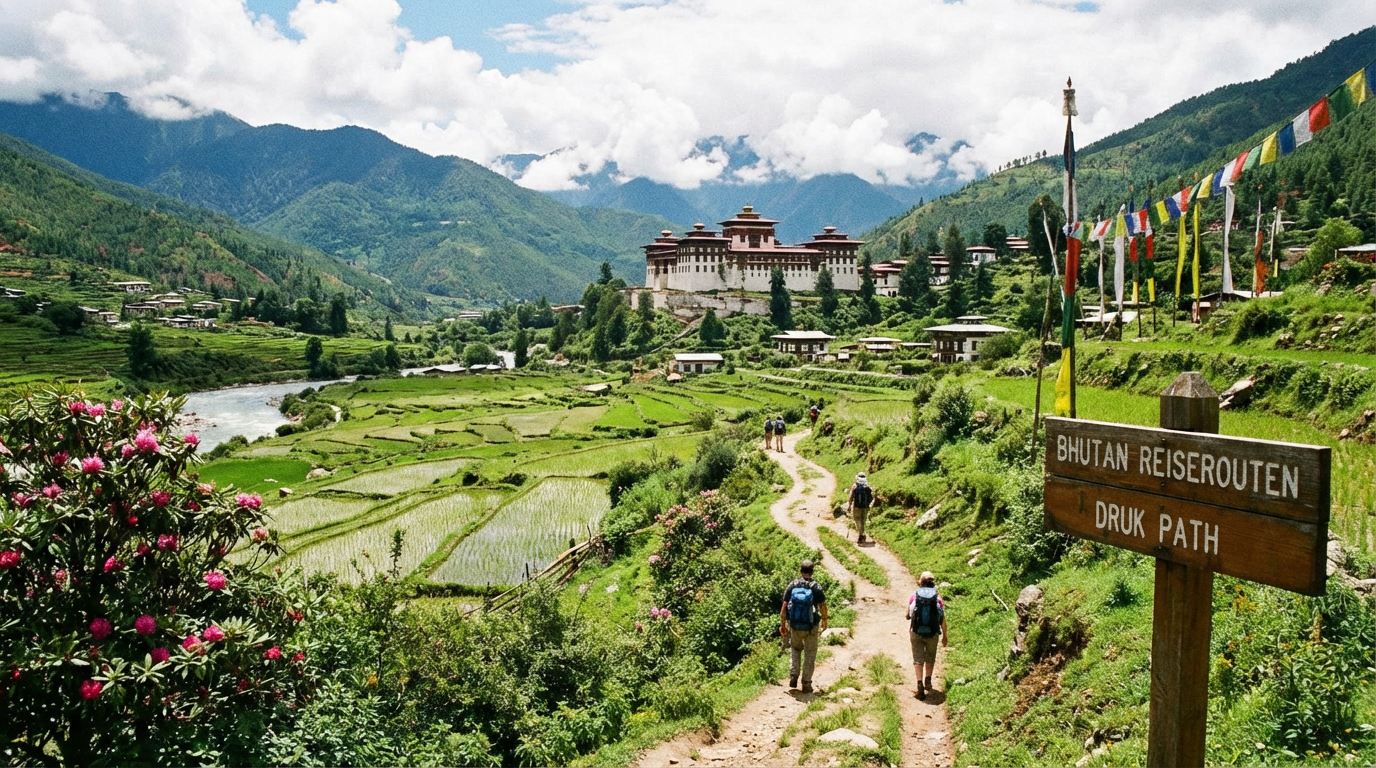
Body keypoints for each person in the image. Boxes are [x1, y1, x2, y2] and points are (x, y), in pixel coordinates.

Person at [780, 559, 828, 693]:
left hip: (795, 625)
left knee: (795, 649)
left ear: (801, 571)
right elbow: (822, 605)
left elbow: (784, 607)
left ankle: (794, 675)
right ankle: (806, 683)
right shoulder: (815, 587)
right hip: (811, 626)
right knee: (810, 653)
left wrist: (783, 624)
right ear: (812, 571)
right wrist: (824, 620)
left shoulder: (793, 585)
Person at [906, 571, 948, 700]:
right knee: (930, 656)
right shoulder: (938, 598)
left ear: (920, 582)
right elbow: (942, 619)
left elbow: (907, 615)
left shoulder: (914, 596)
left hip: (916, 632)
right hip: (933, 632)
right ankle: (928, 680)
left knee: (918, 659)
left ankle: (919, 684)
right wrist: (945, 635)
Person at [847, 472, 874, 543]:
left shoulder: (855, 486)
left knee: (857, 519)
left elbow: (851, 496)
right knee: (863, 520)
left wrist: (849, 505)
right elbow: (871, 497)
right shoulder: (867, 486)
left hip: (857, 506)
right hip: (866, 507)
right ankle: (862, 534)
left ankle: (861, 534)